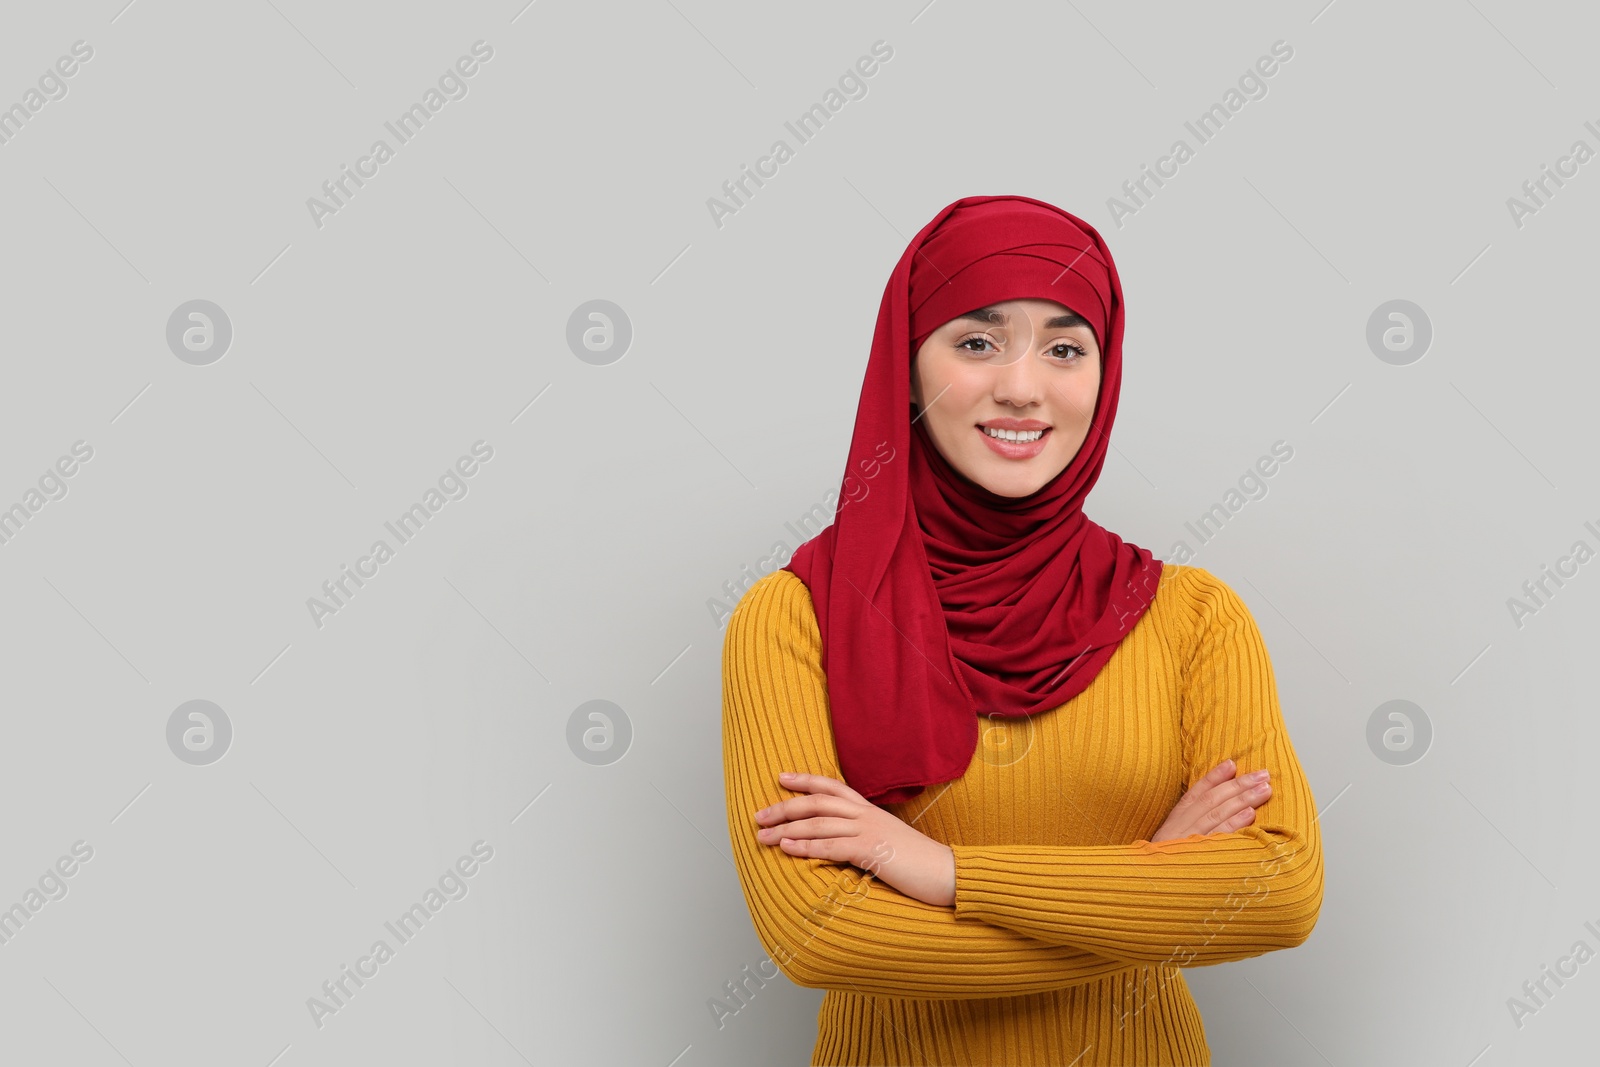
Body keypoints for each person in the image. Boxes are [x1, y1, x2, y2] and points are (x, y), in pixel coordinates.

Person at [720, 194, 1323, 1066]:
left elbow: (1278, 890)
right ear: (907, 361)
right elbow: (822, 936)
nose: (1021, 386)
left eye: (1066, 348)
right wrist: (1149, 878)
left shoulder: (1192, 616)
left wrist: (941, 871)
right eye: (976, 341)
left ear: (1103, 375)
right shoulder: (795, 617)